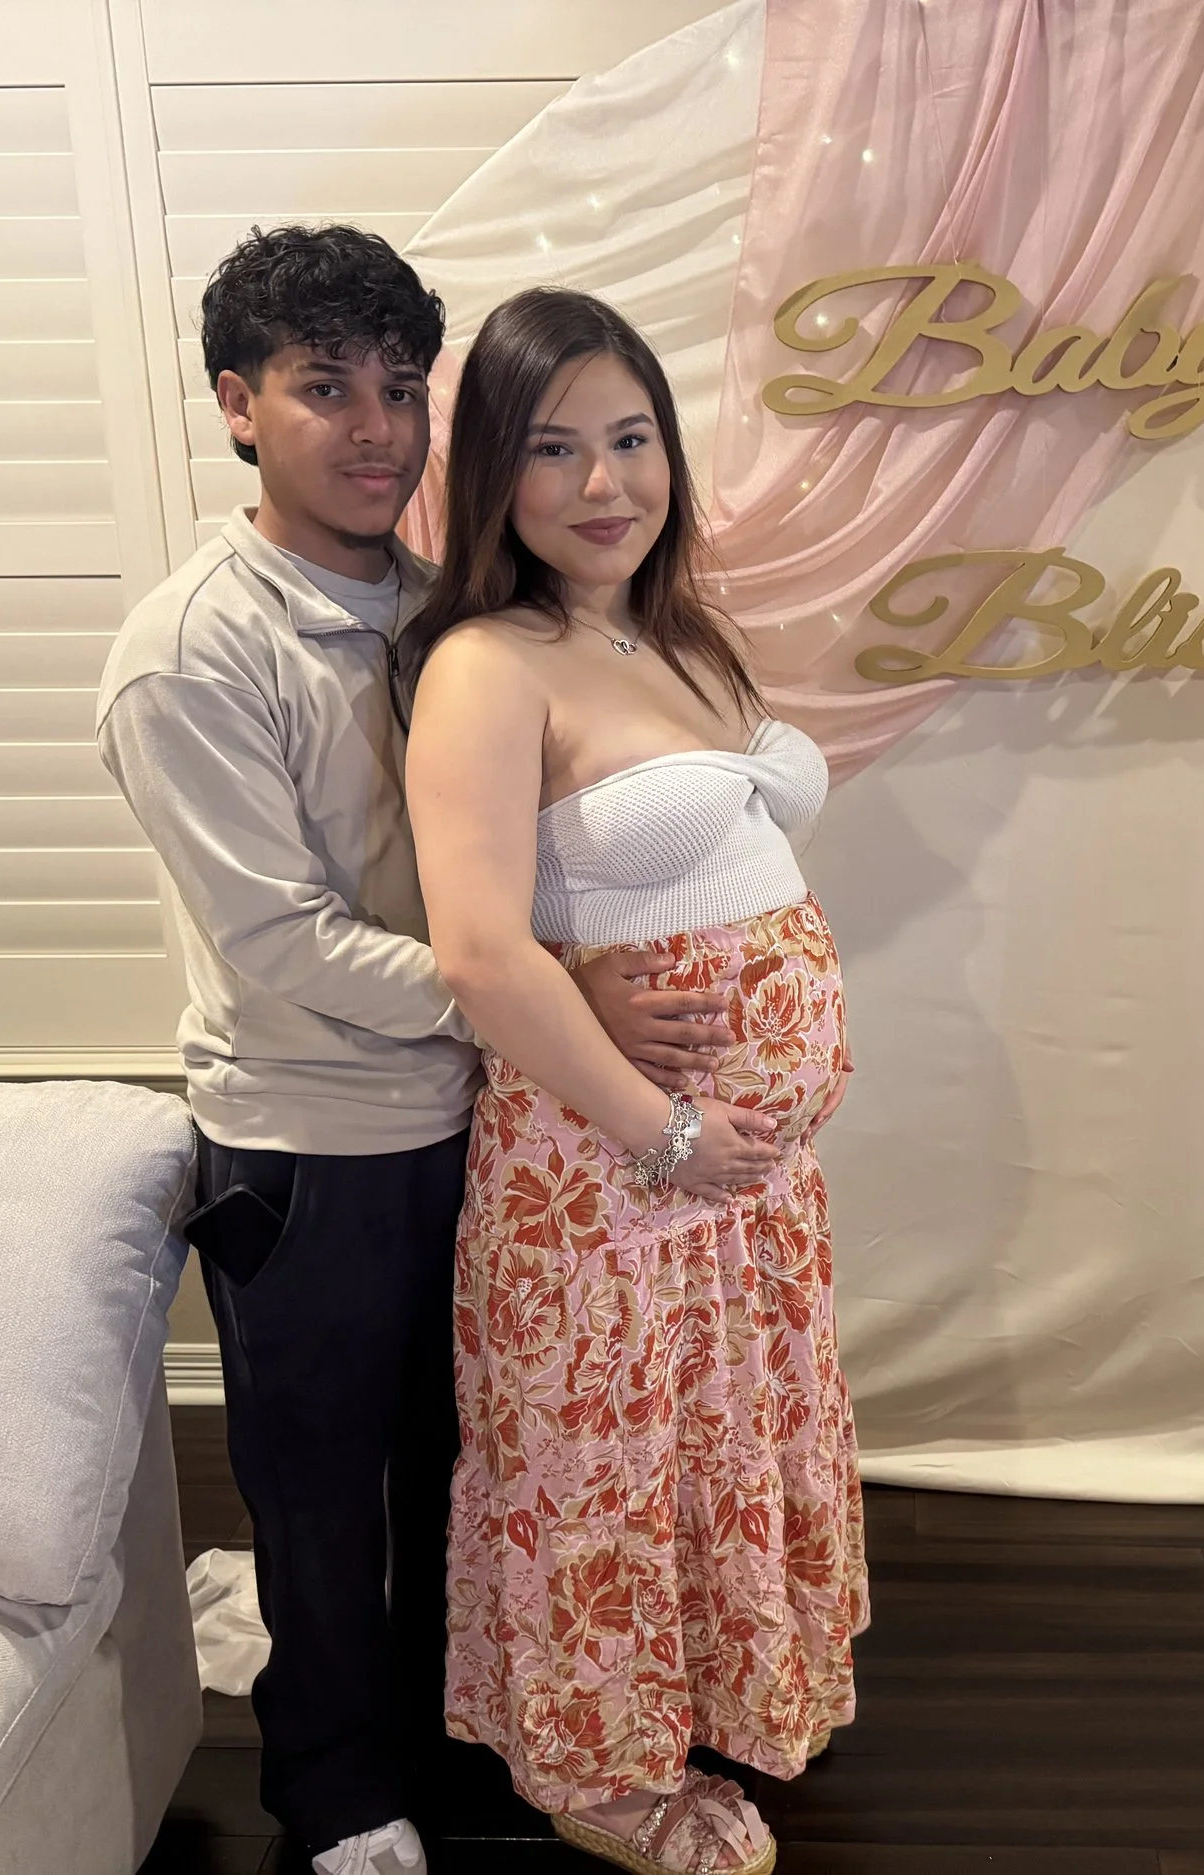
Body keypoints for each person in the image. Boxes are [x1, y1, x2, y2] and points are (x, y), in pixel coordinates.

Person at [97, 228, 741, 1875]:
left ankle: (463, 1739)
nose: (376, 429)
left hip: (495, 1119)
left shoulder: (448, 605)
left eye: (402, 389)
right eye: (326, 389)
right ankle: (336, 1792)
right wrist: (539, 992)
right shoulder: (194, 652)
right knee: (322, 1490)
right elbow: (285, 943)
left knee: (470, 1463)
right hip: (313, 1144)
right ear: (238, 405)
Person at [400, 287, 870, 1875]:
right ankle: (597, 1775)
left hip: (736, 1183)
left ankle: (715, 1692)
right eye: (553, 449)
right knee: (602, 1466)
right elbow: (481, 951)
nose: (604, 483)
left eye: (632, 437)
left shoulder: (668, 630)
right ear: (492, 473)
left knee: (707, 1452)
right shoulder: (486, 664)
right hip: (613, 1172)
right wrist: (664, 1128)